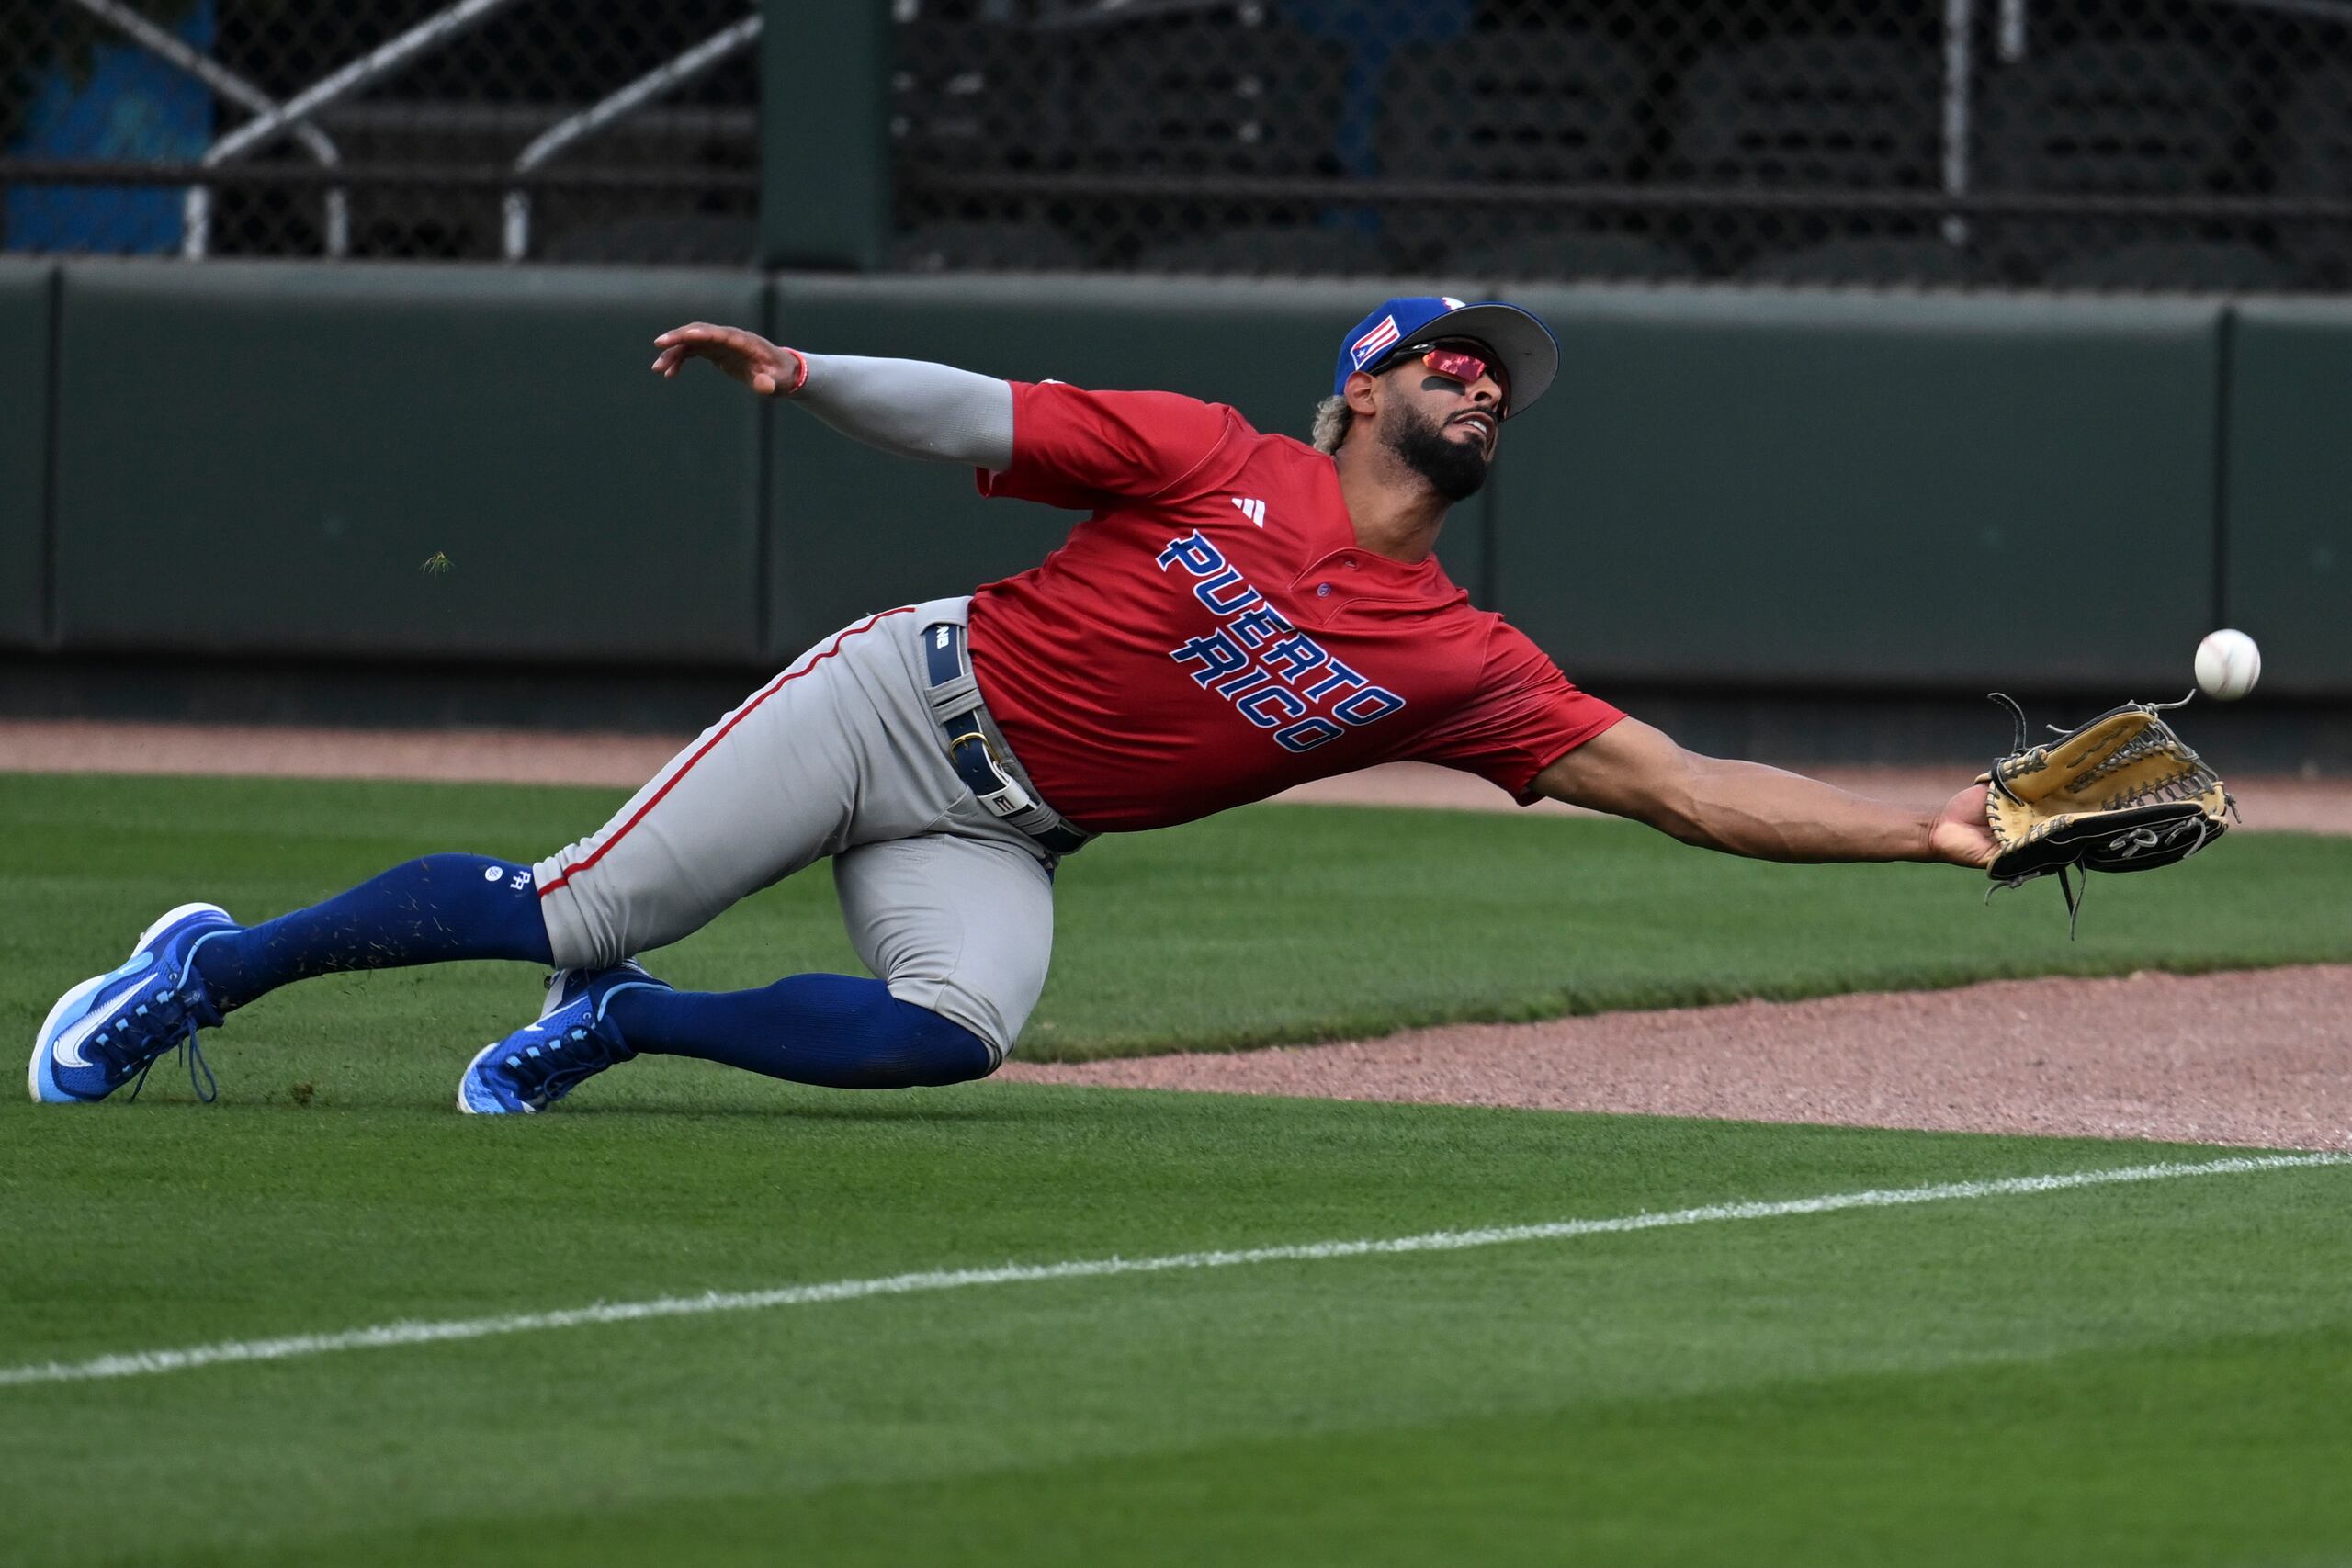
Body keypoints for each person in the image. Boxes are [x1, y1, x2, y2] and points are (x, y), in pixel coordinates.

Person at [30, 295, 1998, 1113]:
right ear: (1361, 383)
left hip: (997, 826)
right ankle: (196, 974)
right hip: (902, 698)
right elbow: (978, 413)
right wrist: (806, 375)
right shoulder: (1214, 455)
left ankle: (621, 1033)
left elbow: (1678, 783)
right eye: (1453, 362)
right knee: (570, 896)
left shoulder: (1459, 661)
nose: (1484, 388)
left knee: (951, 1031)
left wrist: (1923, 831)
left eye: (1501, 382)